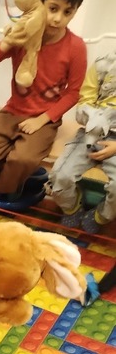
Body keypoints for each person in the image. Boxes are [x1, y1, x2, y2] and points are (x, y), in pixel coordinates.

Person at [0, 0, 91, 209]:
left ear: (76, 11)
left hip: (44, 119)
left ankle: (7, 187)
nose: (58, 18)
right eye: (53, 8)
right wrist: (7, 43)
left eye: (68, 12)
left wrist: (42, 119)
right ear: (41, 2)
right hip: (13, 110)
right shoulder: (25, 34)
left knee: (20, 160)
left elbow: (73, 93)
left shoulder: (76, 47)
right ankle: (16, 179)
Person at [47, 52, 116, 233]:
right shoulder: (104, 63)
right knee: (60, 177)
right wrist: (93, 118)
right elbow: (85, 100)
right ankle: (73, 207)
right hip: (92, 131)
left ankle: (101, 215)